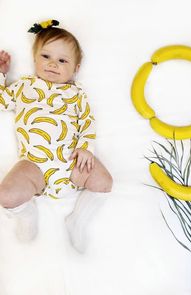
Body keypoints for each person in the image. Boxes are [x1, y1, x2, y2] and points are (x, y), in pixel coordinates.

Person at [0, 20, 112, 249]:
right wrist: (1, 75)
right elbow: (2, 102)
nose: (53, 64)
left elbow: (88, 122)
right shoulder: (23, 86)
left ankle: (78, 221)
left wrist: (86, 149)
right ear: (34, 59)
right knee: (6, 196)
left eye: (62, 60)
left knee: (104, 182)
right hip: (34, 164)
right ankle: (27, 215)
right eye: (46, 57)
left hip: (71, 161)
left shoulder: (76, 94)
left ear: (76, 68)